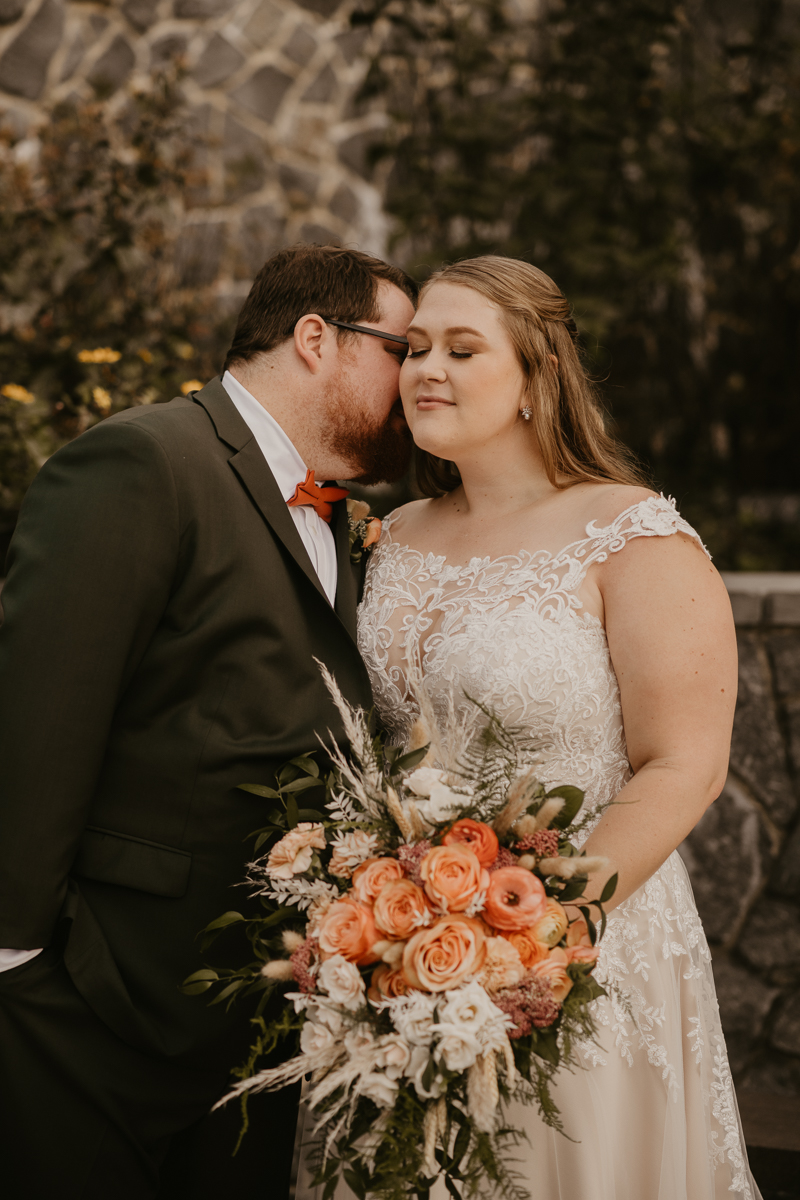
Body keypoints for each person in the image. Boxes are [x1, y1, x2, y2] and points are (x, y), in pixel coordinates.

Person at [0, 243, 416, 1199]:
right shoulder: (144, 461)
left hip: (257, 1016)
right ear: (318, 338)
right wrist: (20, 965)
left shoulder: (348, 516)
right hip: (96, 1009)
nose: (419, 377)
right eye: (403, 347)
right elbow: (36, 716)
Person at [351, 256, 760, 1199]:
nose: (425, 371)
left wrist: (546, 932)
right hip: (408, 942)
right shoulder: (392, 532)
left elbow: (685, 764)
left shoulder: (630, 534)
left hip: (585, 936)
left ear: (537, 376)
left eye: (462, 348)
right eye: (414, 350)